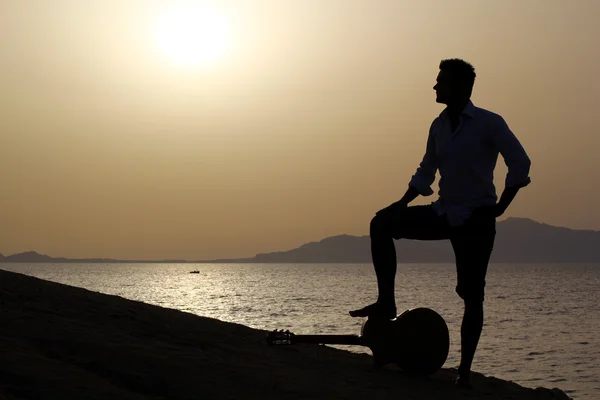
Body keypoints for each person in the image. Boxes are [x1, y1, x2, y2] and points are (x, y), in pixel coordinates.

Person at [349, 58, 531, 389]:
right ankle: (386, 300)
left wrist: (500, 207)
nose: (435, 86)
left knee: (472, 295)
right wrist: (402, 203)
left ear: (461, 87)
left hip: (476, 220)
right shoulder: (438, 125)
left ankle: (464, 371)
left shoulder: (489, 123)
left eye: (441, 82)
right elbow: (425, 171)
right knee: (381, 224)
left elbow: (520, 162)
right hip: (443, 213)